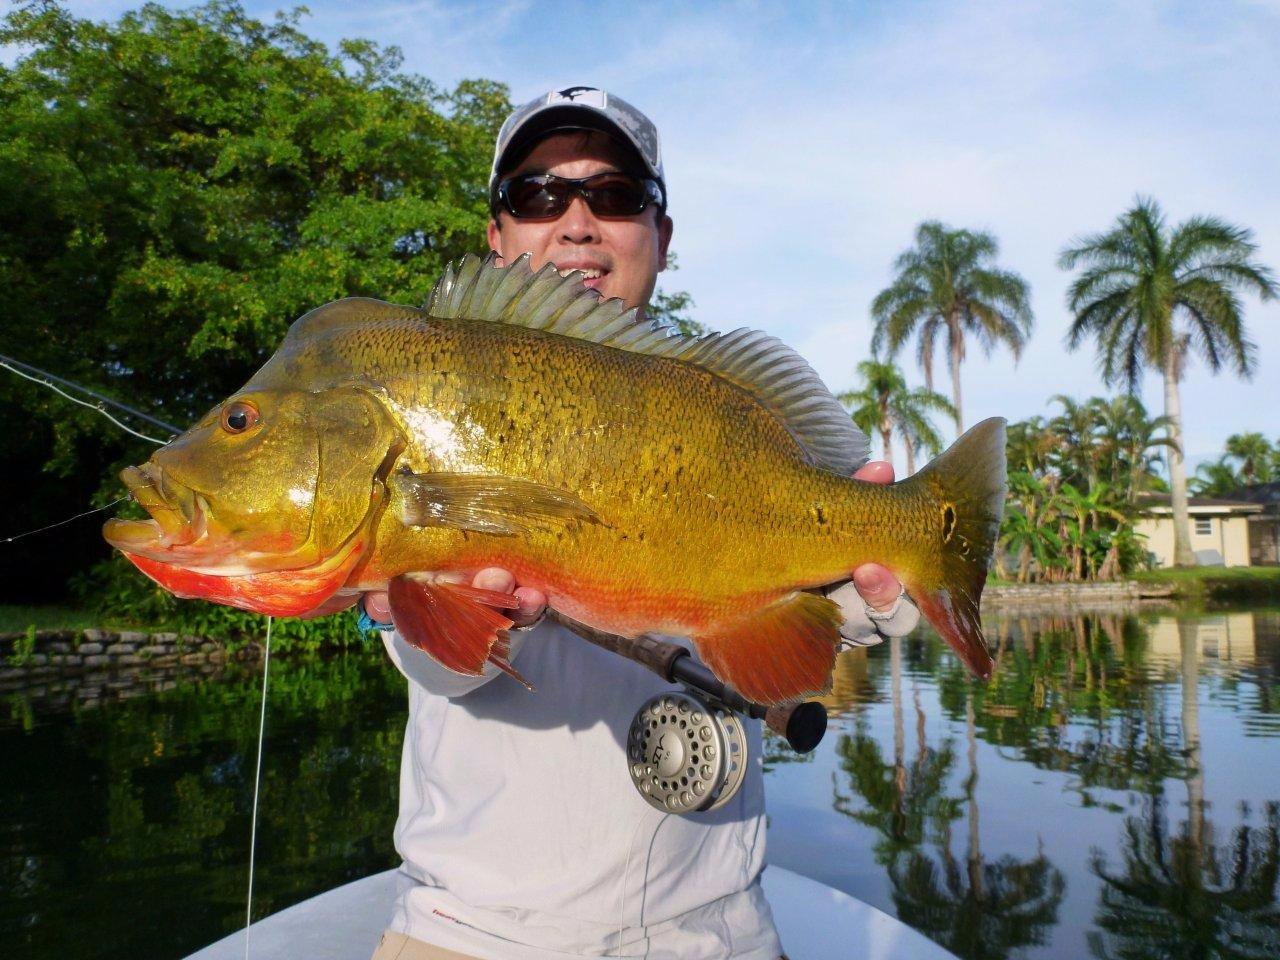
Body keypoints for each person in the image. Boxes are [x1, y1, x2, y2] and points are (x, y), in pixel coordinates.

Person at [357, 87, 920, 960]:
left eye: (614, 195)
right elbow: (446, 671)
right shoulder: (426, 391)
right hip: (474, 933)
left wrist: (884, 589)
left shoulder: (726, 404)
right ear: (496, 234)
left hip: (720, 931)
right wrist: (421, 609)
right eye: (538, 194)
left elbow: (816, 627)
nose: (578, 222)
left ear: (661, 235)